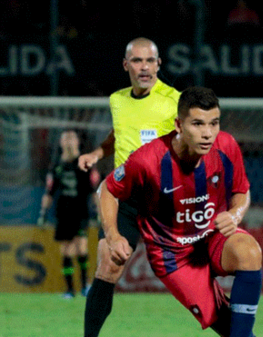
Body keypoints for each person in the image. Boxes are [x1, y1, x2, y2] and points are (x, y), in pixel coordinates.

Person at [98, 86, 262, 336]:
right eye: (197, 124)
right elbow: (107, 189)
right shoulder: (147, 160)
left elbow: (242, 190)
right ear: (178, 124)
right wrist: (113, 235)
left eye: (214, 123)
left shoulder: (226, 145)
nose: (208, 133)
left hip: (212, 237)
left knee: (249, 252)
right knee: (230, 327)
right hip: (174, 257)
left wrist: (236, 214)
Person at [78, 37, 184, 336]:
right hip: (123, 198)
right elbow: (119, 133)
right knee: (109, 266)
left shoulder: (175, 101)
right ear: (126, 65)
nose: (144, 67)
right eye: (137, 61)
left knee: (203, 270)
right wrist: (98, 153)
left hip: (165, 201)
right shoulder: (117, 100)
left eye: (150, 60)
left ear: (159, 64)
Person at [38, 130, 99, 299]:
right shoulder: (56, 166)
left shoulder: (85, 164)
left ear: (78, 142)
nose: (69, 141)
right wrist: (43, 214)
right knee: (66, 251)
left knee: (81, 247)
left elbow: (93, 190)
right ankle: (70, 290)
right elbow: (49, 193)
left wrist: (97, 211)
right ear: (61, 143)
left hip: (81, 212)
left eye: (72, 138)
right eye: (66, 138)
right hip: (63, 213)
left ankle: (85, 286)